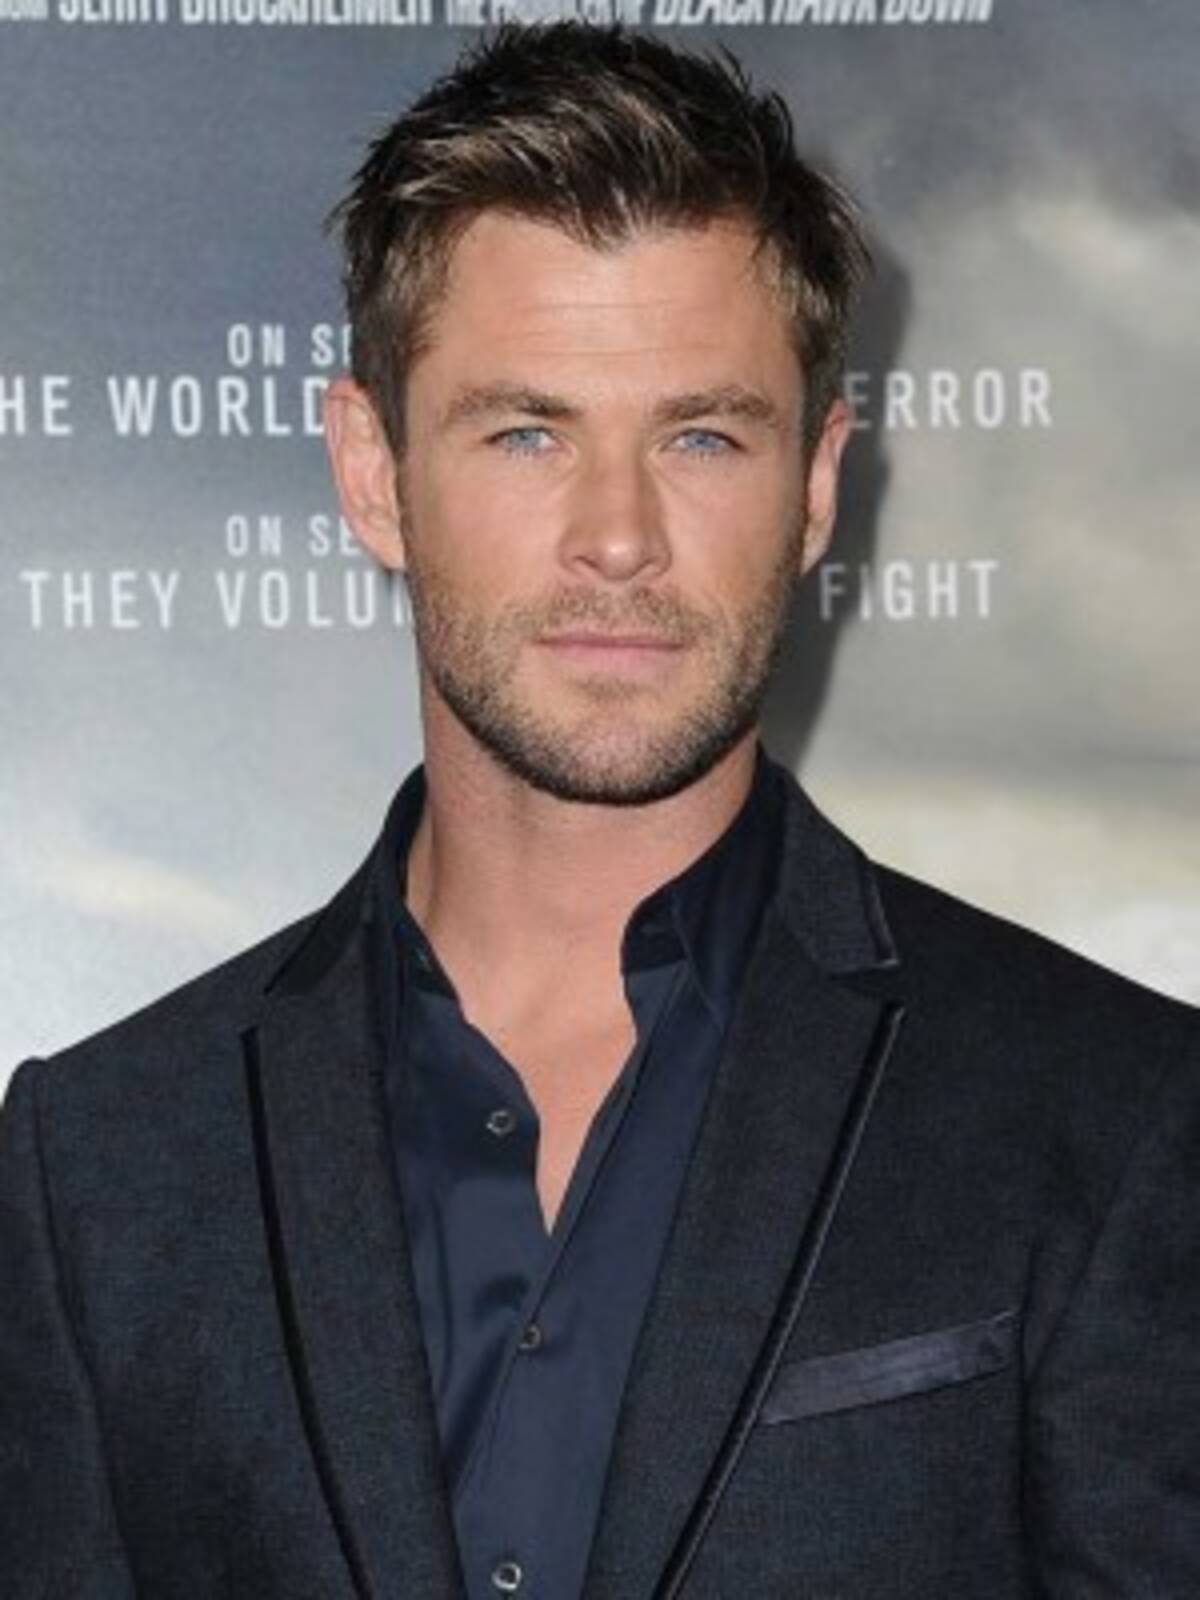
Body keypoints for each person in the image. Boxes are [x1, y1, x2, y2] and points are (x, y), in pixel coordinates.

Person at [1, 22, 1197, 1600]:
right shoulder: (99, 1165)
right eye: (526, 431)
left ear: (817, 482)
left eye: (701, 435)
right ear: (372, 472)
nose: (618, 537)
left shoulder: (1113, 1115)